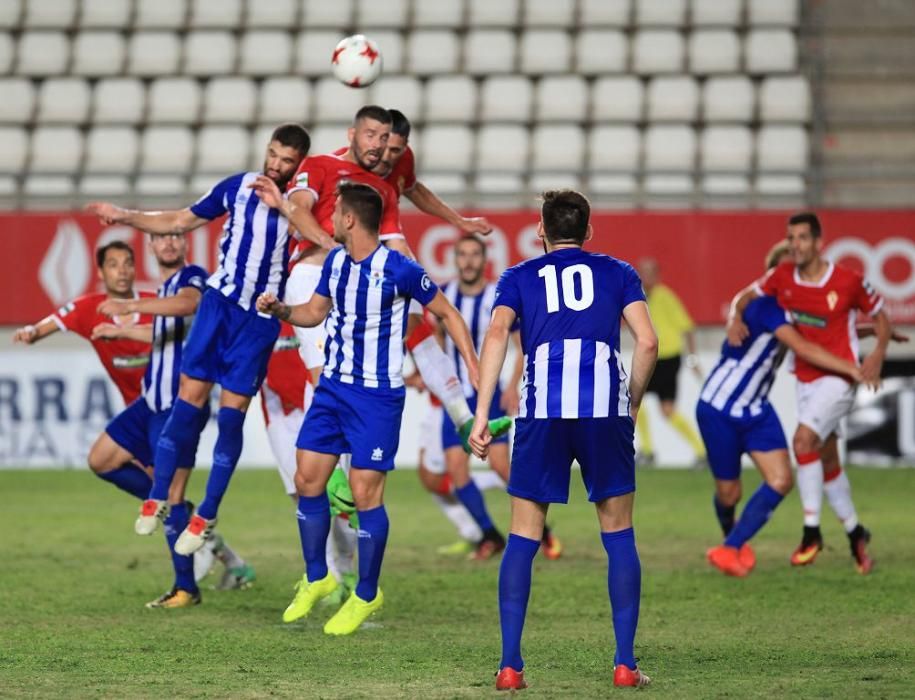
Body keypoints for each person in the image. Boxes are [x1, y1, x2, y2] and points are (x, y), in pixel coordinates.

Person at [256, 181, 480, 636]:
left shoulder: (399, 269)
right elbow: (314, 314)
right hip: (333, 390)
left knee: (364, 495)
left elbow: (449, 315)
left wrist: (475, 369)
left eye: (334, 213)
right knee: (307, 479)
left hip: (376, 398)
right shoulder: (336, 262)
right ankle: (318, 577)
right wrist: (281, 309)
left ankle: (366, 593)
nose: (329, 220)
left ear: (350, 219)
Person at [86, 123, 312, 554]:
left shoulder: (301, 204)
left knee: (231, 417)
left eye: (286, 161)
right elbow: (180, 220)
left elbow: (323, 239)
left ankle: (207, 512)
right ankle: (157, 499)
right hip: (219, 305)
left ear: (297, 165)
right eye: (273, 155)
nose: (276, 165)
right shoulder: (238, 187)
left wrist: (284, 206)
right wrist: (126, 215)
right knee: (187, 401)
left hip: (259, 319)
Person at [469, 190, 658, 690]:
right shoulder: (618, 272)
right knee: (618, 534)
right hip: (603, 409)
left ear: (540, 231)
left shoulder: (517, 277)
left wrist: (482, 413)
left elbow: (494, 338)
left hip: (542, 411)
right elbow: (649, 341)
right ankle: (624, 665)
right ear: (589, 231)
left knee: (523, 536)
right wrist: (631, 401)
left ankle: (510, 668)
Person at [284, 106, 509, 459]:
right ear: (354, 135)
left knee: (419, 323)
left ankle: (463, 418)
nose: (385, 155)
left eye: (390, 145)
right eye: (375, 140)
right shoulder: (322, 166)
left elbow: (400, 222)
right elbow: (296, 211)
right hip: (315, 272)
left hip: (358, 273)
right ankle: (330, 471)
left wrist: (415, 275)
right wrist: (334, 247)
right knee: (324, 371)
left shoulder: (384, 184)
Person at [90, 232, 254, 606]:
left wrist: (129, 306)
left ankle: (185, 588)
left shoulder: (193, 278)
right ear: (151, 247)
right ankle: (175, 509)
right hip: (150, 402)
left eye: (175, 236)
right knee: (101, 459)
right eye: (160, 238)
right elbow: (165, 332)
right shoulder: (164, 288)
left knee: (172, 494)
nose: (168, 242)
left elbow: (185, 306)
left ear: (185, 245)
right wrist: (122, 330)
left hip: (180, 407)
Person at [727, 212, 891, 574]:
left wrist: (878, 353)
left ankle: (811, 531)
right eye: (791, 238)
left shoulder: (848, 281)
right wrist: (735, 319)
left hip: (839, 379)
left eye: (802, 238)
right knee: (827, 461)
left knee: (803, 442)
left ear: (818, 242)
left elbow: (880, 316)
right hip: (805, 379)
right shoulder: (782, 277)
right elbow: (744, 296)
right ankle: (855, 534)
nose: (795, 245)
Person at [701, 242, 866, 577]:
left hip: (757, 409)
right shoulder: (765, 307)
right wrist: (851, 369)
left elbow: (824, 334)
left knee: (780, 479)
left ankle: (730, 548)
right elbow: (802, 344)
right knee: (729, 493)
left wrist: (876, 331)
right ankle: (729, 535)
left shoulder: (791, 311)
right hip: (719, 406)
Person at [438, 235, 562, 560]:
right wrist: (439, 380)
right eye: (462, 254)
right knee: (456, 469)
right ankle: (489, 535)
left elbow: (523, 343)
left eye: (474, 255)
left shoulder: (499, 294)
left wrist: (511, 386)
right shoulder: (444, 297)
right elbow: (437, 337)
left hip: (488, 394)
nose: (468, 261)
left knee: (499, 465)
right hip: (455, 398)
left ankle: (543, 531)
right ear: (455, 258)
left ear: (484, 259)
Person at [260, 322, 358, 604]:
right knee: (302, 494)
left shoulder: (310, 306)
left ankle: (346, 566)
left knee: (339, 498)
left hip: (319, 409)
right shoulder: (257, 308)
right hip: (278, 413)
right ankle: (328, 574)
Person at [13, 240, 153, 407]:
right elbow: (45, 326)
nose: (122, 271)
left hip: (170, 402)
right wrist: (31, 331)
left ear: (135, 270)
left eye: (127, 264)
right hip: (135, 407)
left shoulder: (156, 303)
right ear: (101, 272)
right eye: (113, 265)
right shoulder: (87, 308)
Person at [635, 258, 706, 466]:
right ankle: (648, 450)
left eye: (649, 273)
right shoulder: (641, 298)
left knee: (652, 406)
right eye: (642, 273)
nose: (645, 277)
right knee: (638, 403)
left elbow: (687, 326)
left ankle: (701, 451)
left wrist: (692, 358)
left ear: (657, 275)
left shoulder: (665, 296)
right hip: (654, 356)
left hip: (667, 358)